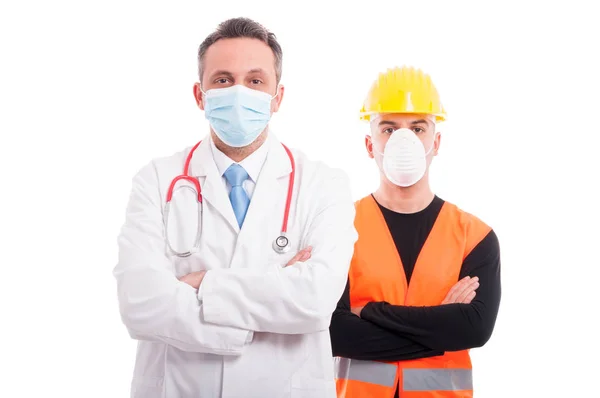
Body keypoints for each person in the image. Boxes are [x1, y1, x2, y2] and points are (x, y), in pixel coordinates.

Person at [113, 17, 357, 398]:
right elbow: (140, 303)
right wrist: (268, 306)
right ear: (200, 95)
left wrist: (200, 284)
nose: (239, 92)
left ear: (278, 97)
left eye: (255, 81)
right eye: (223, 79)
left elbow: (315, 300)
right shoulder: (156, 181)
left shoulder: (324, 184)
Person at [329, 66, 501, 398]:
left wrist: (370, 311)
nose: (403, 140)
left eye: (418, 127)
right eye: (389, 128)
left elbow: (475, 329)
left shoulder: (475, 237)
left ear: (435, 142)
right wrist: (441, 327)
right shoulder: (338, 227)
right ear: (369, 144)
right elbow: (335, 332)